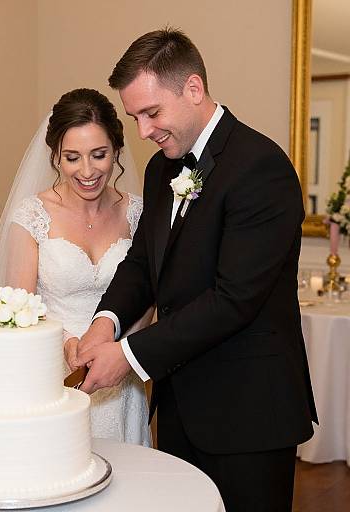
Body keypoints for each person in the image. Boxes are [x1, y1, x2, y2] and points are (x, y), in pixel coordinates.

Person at [71, 29, 317, 511]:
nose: (142, 131)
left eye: (151, 113)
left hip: (250, 411)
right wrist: (106, 322)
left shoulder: (261, 166)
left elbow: (234, 300)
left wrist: (129, 354)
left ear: (193, 89)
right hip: (182, 403)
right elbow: (143, 261)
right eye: (134, 116)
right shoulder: (162, 169)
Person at [0, 88, 152, 446]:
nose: (87, 171)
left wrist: (123, 350)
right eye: (72, 157)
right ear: (55, 157)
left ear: (117, 151)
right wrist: (68, 345)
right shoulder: (33, 215)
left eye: (99, 155)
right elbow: (21, 308)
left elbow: (147, 292)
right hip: (56, 372)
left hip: (120, 369)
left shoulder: (136, 212)